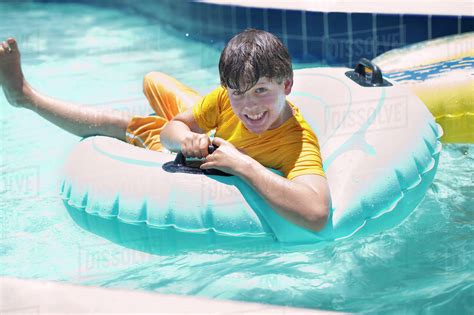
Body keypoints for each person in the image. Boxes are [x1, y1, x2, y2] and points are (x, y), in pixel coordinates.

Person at [0, 29, 331, 232]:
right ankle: (23, 96)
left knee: (122, 124)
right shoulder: (224, 101)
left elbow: (315, 214)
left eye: (261, 91)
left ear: (287, 85)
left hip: (225, 148)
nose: (249, 107)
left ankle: (23, 96)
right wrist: (186, 139)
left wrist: (243, 164)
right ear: (227, 91)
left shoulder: (297, 143)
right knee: (154, 81)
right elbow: (172, 132)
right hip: (202, 130)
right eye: (238, 93)